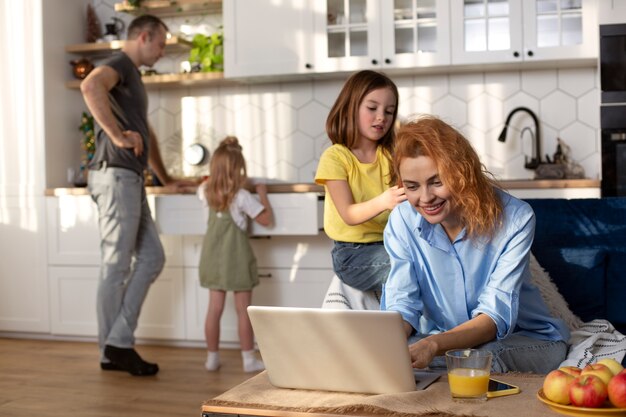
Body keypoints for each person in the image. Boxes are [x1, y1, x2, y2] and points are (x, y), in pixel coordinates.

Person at [381, 115, 570, 374]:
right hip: (442, 340)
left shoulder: (516, 218)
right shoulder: (402, 220)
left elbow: (493, 318)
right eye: (412, 186)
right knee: (394, 359)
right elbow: (402, 302)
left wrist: (432, 345)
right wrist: (389, 347)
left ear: (462, 172)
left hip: (525, 339)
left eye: (437, 182)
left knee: (479, 358)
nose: (425, 198)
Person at [81, 15, 196, 376]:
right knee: (115, 265)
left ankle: (116, 343)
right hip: (115, 177)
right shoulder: (119, 64)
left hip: (130, 178)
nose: (162, 52)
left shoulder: (133, 77)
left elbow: (146, 133)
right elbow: (90, 86)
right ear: (144, 36)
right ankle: (112, 349)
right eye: (161, 44)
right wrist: (117, 137)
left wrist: (166, 178)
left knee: (151, 257)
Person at [315, 70, 407, 293]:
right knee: (408, 267)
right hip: (351, 255)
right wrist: (384, 201)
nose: (381, 117)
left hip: (389, 244)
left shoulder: (390, 156)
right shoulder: (336, 157)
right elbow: (348, 214)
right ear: (351, 107)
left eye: (389, 111)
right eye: (372, 108)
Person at [197, 136, 273, 373]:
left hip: (212, 259)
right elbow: (267, 221)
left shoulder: (204, 191)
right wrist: (262, 193)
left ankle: (212, 358)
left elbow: (205, 186)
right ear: (238, 168)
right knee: (243, 310)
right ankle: (248, 360)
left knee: (214, 310)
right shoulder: (241, 196)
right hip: (236, 260)